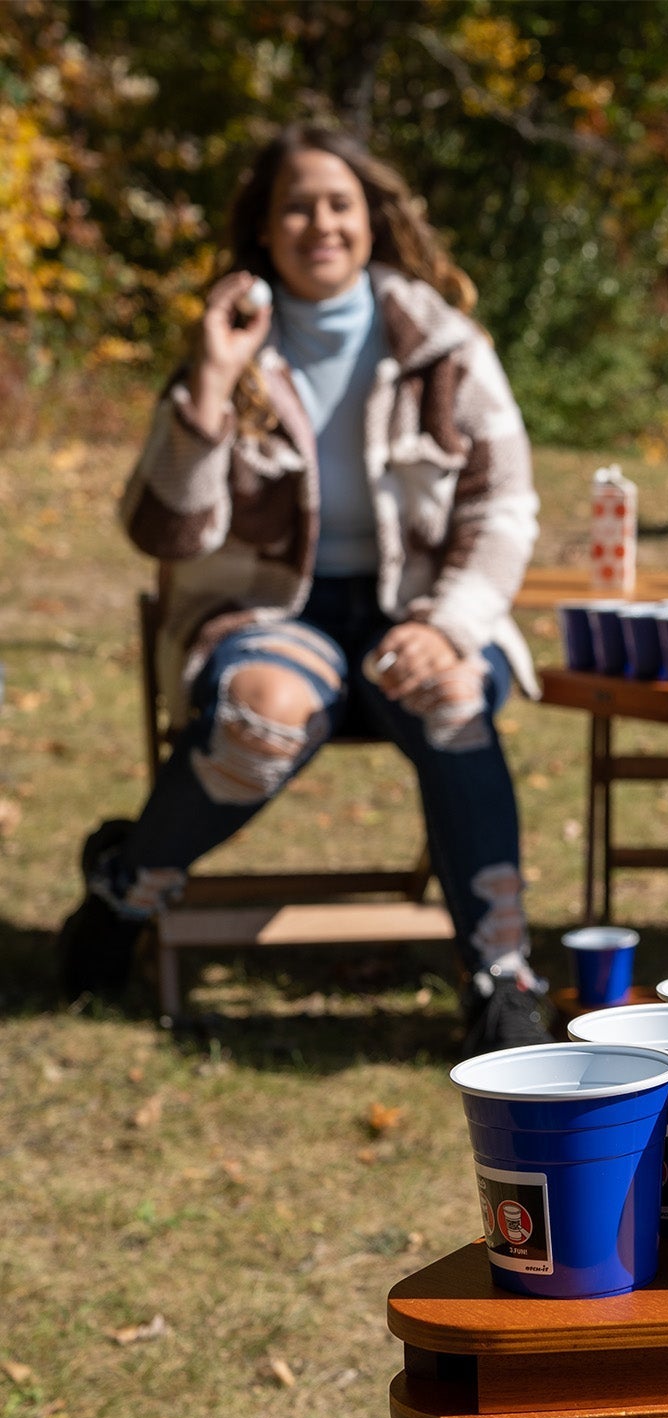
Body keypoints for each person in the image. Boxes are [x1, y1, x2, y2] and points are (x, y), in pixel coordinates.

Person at [59, 123, 552, 1054]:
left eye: (338, 203)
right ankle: (126, 897)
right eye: (297, 206)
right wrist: (209, 383)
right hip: (270, 615)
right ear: (264, 225)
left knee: (452, 695)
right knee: (262, 711)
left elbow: (504, 505)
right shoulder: (233, 338)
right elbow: (161, 531)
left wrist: (451, 625)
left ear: (372, 218)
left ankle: (501, 972)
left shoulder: (443, 346)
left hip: (412, 612)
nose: (319, 223)